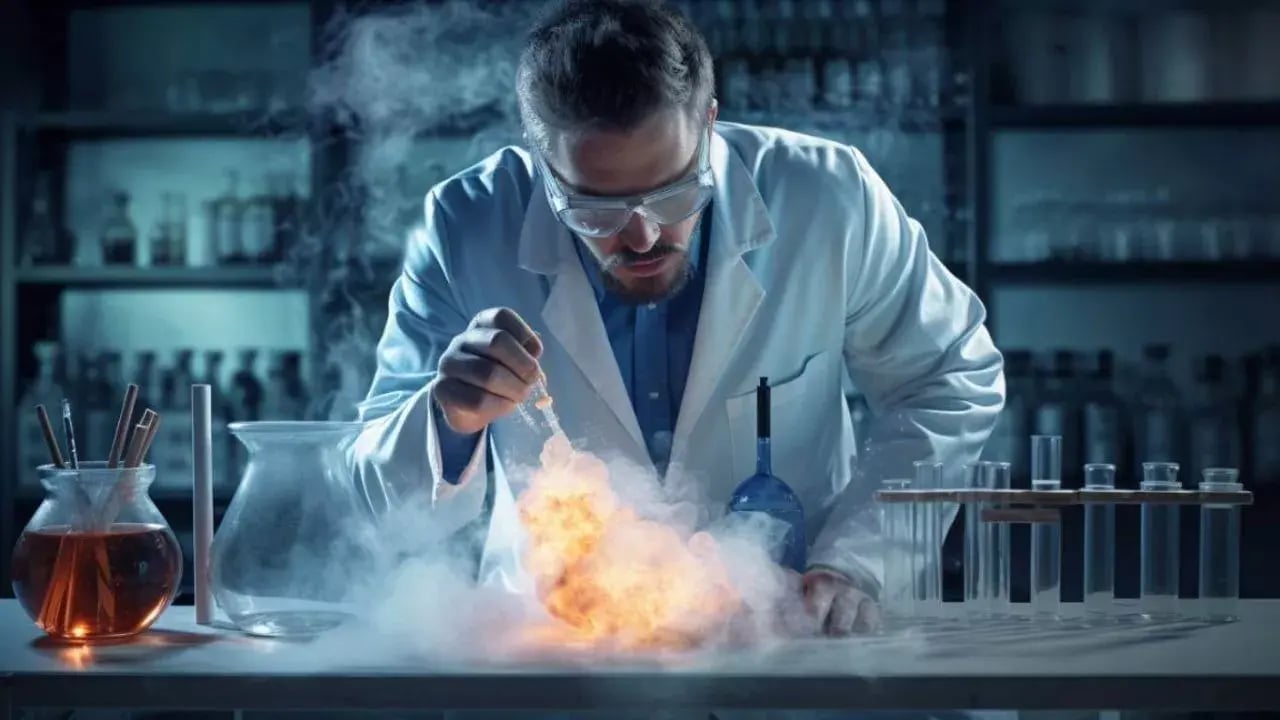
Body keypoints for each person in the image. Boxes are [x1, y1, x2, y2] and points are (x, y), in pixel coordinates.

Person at [351, 0, 1004, 637]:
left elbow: (950, 380)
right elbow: (377, 492)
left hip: (784, 635)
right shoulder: (467, 224)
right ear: (541, 159)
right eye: (594, 206)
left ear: (710, 125)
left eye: (674, 192)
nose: (641, 236)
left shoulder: (828, 196)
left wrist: (859, 562)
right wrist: (449, 419)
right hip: (556, 646)